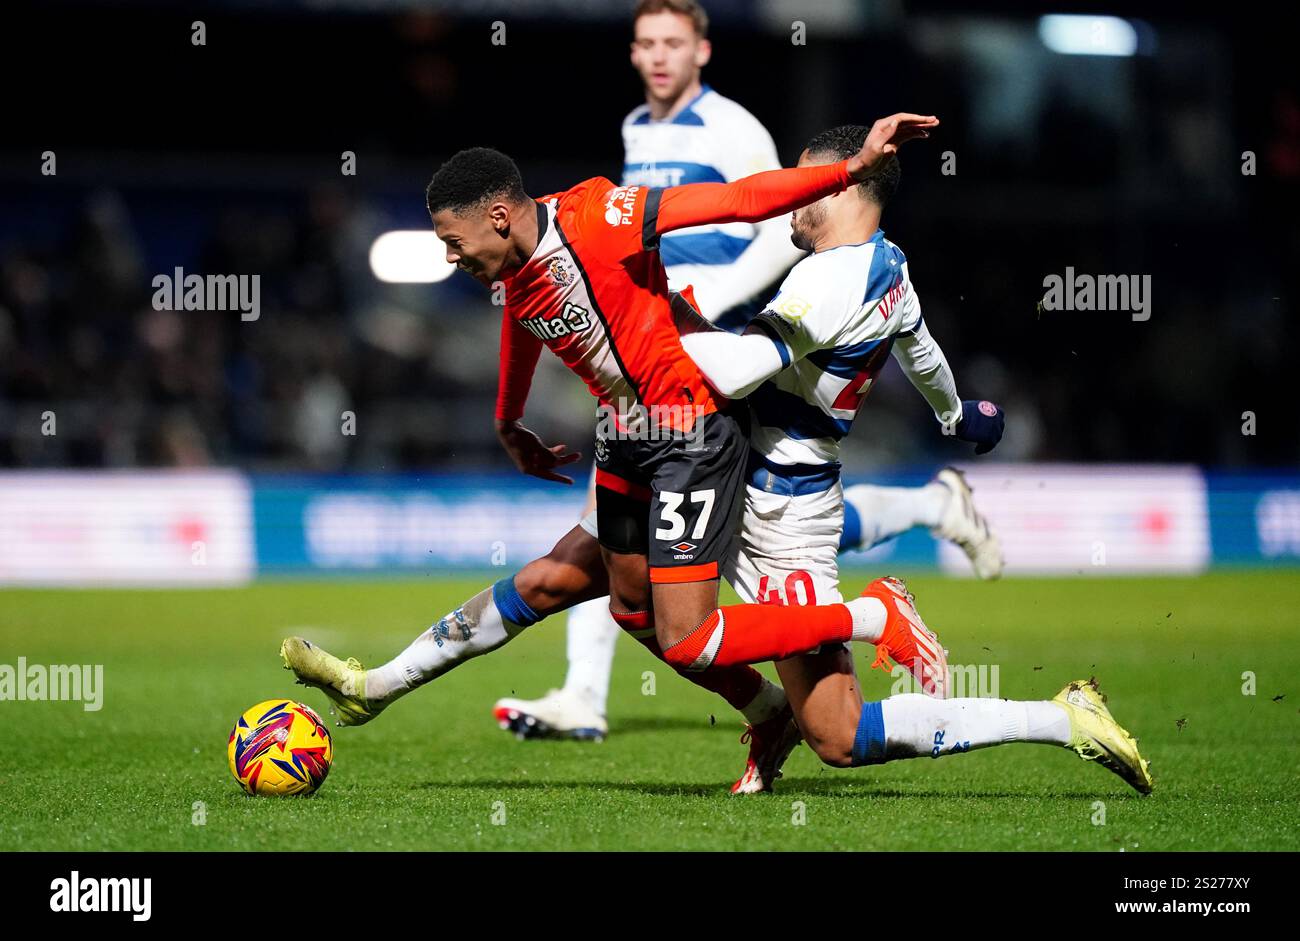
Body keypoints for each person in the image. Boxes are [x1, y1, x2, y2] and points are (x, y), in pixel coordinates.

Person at [494, 0, 998, 744]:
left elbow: (778, 219)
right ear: (633, 54)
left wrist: (702, 306)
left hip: (729, 336)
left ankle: (595, 691)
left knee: (712, 523)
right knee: (677, 527)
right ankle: (585, 692)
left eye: (674, 42)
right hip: (672, 338)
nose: (659, 56)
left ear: (702, 50)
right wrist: (958, 415)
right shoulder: (639, 129)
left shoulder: (735, 130)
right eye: (646, 43)